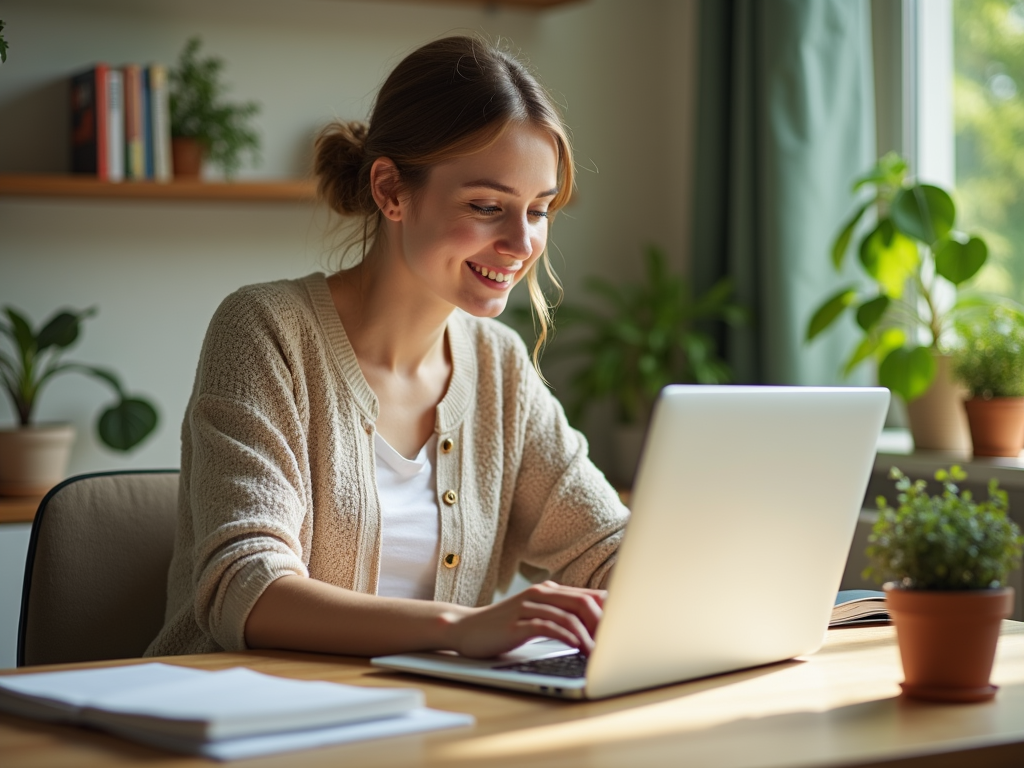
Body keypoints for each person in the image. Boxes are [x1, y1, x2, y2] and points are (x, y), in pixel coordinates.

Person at [146, 35, 629, 662]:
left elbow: (603, 547)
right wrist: (460, 628)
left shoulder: (499, 364)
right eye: (487, 206)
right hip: (237, 728)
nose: (521, 242)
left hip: (428, 726)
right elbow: (245, 587)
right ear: (391, 190)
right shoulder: (267, 331)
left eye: (538, 211)